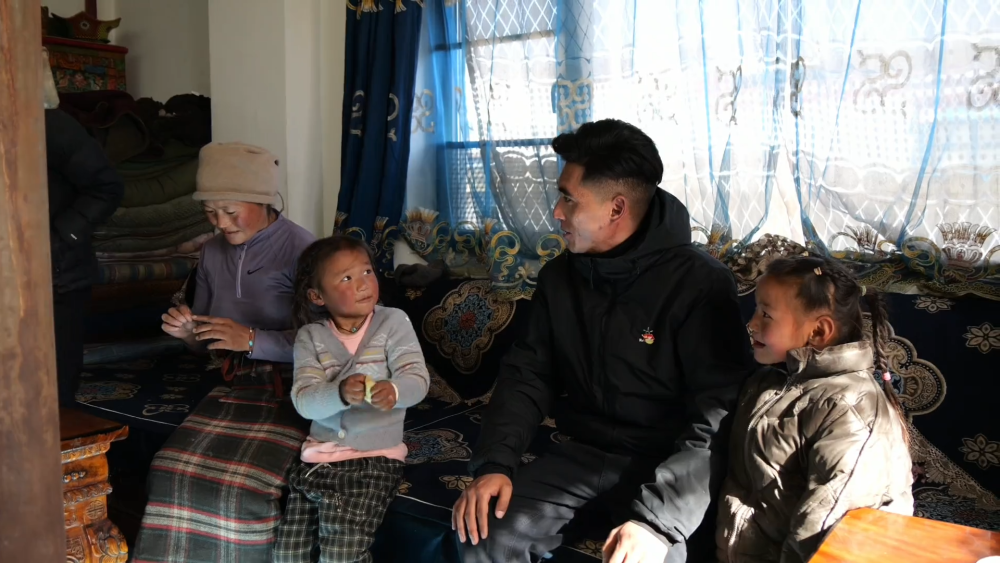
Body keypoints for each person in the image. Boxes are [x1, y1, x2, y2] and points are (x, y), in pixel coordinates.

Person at [453, 119, 753, 563]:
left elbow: (716, 419)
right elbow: (528, 374)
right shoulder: (559, 277)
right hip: (583, 455)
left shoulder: (701, 284)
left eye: (569, 198)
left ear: (616, 209)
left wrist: (657, 523)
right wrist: (495, 464)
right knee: (481, 533)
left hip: (665, 465)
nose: (557, 211)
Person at [133, 142, 316, 563]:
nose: (220, 223)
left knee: (246, 485)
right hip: (235, 384)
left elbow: (329, 342)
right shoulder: (211, 252)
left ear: (264, 200)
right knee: (170, 467)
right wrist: (188, 333)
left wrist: (252, 340)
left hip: (298, 388)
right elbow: (207, 344)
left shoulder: (304, 251)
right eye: (210, 212)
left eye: (231, 211)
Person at [716, 255, 913, 563]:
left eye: (766, 314)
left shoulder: (848, 409)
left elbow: (824, 531)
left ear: (819, 332)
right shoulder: (770, 380)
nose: (751, 324)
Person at [273, 236, 429, 562]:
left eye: (367, 272)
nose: (363, 284)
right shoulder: (310, 337)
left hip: (373, 461)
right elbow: (304, 401)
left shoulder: (393, 321)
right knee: (288, 554)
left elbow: (417, 378)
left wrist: (396, 390)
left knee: (341, 554)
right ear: (317, 296)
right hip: (315, 462)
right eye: (346, 278)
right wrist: (340, 392)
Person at [44, 54, 125, 407]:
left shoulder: (51, 125)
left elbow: (107, 188)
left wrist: (58, 239)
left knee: (52, 393)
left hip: (58, 278)